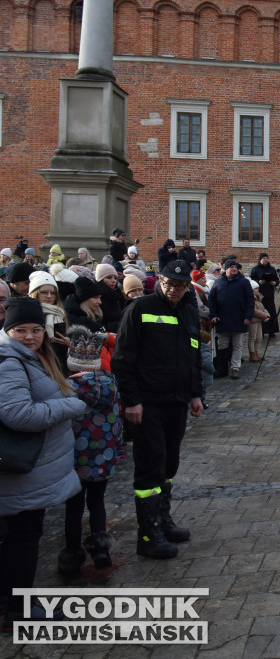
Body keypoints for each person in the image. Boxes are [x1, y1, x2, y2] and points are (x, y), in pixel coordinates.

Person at [0, 297, 87, 628]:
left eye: (35, 329)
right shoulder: (9, 361)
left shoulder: (31, 357)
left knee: (15, 535)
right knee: (24, 536)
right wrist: (71, 405)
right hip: (23, 468)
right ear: (8, 330)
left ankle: (8, 600)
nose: (29, 336)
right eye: (20, 330)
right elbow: (17, 413)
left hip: (30, 466)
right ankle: (19, 609)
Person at [111, 258, 202, 559]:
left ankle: (163, 519)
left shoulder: (189, 312)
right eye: (169, 284)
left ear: (188, 286)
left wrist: (195, 394)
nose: (174, 290)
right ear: (160, 282)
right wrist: (132, 400)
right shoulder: (140, 309)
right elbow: (123, 360)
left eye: (180, 285)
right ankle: (148, 534)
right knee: (150, 464)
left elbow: (193, 355)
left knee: (169, 463)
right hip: (147, 403)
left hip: (176, 401)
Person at [59, 326, 121, 577]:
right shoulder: (111, 385)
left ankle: (72, 554)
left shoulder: (66, 388)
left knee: (73, 507)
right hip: (103, 457)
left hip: (74, 459)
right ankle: (100, 551)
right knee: (97, 503)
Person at [208, 260, 254, 379]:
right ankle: (222, 368)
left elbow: (250, 300)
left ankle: (235, 368)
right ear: (226, 269)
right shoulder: (218, 282)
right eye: (231, 267)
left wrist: (248, 316)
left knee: (237, 345)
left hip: (239, 318)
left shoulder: (243, 282)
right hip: (223, 319)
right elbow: (212, 300)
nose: (234, 269)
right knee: (222, 345)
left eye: (236, 267)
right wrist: (213, 315)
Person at [28, 271, 71, 375]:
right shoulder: (28, 314)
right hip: (39, 368)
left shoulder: (60, 313)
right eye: (44, 292)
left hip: (61, 368)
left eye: (53, 293)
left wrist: (70, 345)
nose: (49, 296)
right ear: (35, 293)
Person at [249, 253, 280, 338]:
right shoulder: (255, 269)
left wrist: (275, 283)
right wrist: (258, 282)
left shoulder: (271, 269)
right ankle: (261, 331)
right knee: (260, 311)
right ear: (260, 259)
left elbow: (276, 279)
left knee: (271, 312)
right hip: (259, 294)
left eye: (267, 258)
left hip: (269, 293)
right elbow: (251, 279)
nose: (265, 259)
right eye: (264, 258)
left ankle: (271, 331)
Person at [247, 279, 270, 363]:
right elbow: (254, 311)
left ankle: (256, 353)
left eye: (257, 288)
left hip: (259, 320)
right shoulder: (251, 298)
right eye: (255, 288)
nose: (257, 290)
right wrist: (265, 315)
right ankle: (252, 355)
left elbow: (262, 308)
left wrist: (267, 314)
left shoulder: (258, 298)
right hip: (253, 320)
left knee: (259, 338)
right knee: (252, 337)